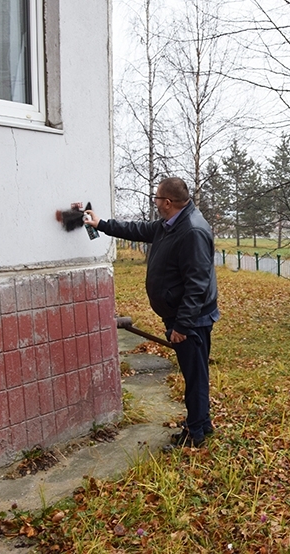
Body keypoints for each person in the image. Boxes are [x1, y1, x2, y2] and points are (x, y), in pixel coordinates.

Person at [85, 178, 219, 450]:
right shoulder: (172, 225)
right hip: (184, 316)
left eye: (157, 198)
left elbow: (197, 284)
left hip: (191, 319)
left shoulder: (191, 231)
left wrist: (182, 325)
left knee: (194, 376)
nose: (155, 202)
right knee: (196, 374)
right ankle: (202, 423)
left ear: (167, 203)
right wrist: (101, 224)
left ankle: (195, 435)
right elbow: (137, 229)